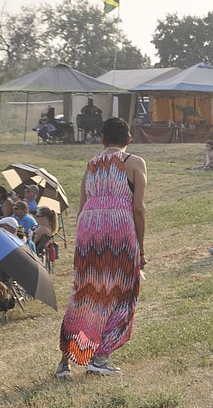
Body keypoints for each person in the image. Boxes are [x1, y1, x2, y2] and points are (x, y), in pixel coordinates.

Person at [56, 118, 147, 378]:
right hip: (118, 227)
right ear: (129, 139)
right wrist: (141, 248)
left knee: (85, 292)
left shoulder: (92, 164)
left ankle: (66, 361)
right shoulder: (134, 162)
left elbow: (83, 203)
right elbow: (138, 208)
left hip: (89, 228)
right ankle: (101, 356)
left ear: (102, 139)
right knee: (121, 290)